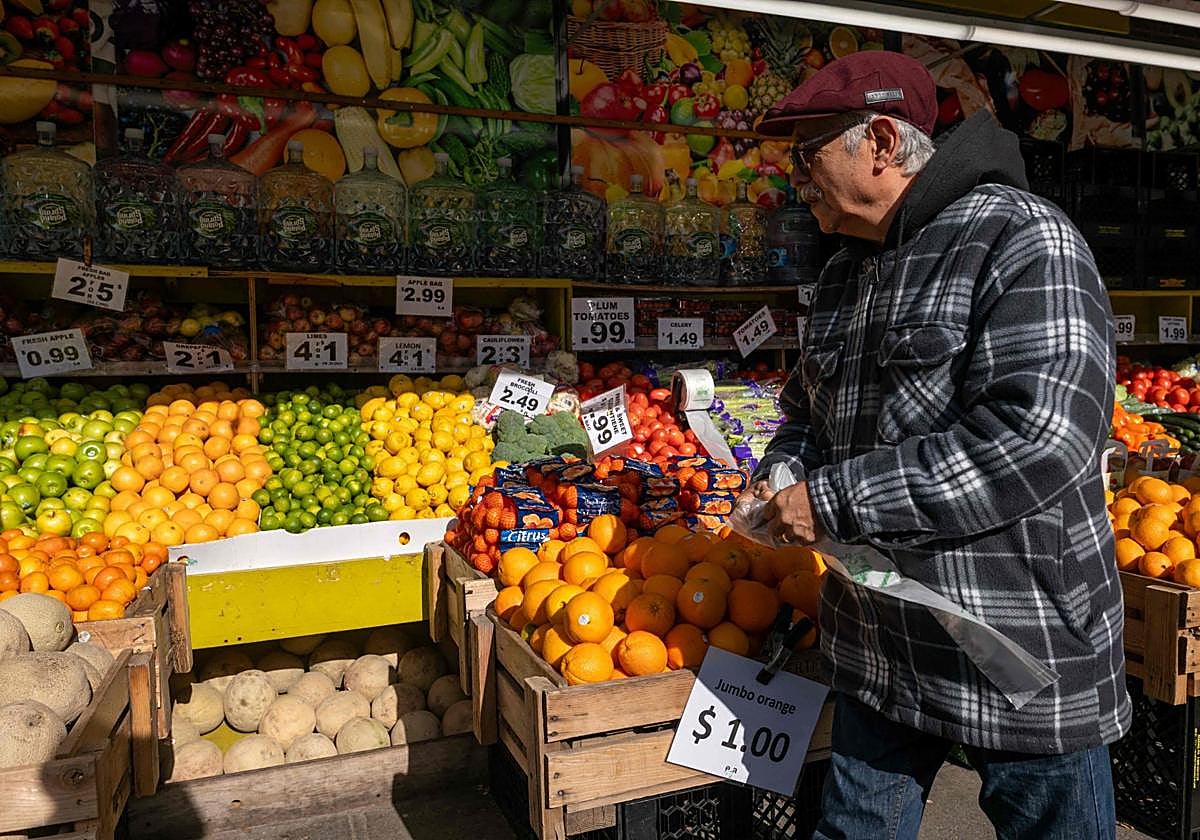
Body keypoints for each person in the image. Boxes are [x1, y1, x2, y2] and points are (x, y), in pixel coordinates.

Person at [749, 51, 1128, 838]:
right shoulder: (848, 272)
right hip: (879, 644)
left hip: (1015, 644)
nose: (794, 177)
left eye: (805, 153)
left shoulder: (1022, 240)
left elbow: (1039, 439)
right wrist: (782, 473)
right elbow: (803, 416)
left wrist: (832, 500)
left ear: (882, 141)